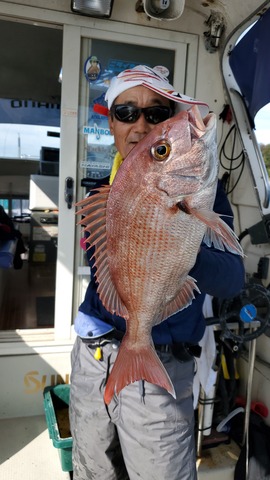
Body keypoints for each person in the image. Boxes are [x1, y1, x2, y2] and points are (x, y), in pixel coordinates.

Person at [69, 65, 245, 480]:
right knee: (92, 469)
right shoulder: (101, 194)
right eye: (127, 112)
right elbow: (108, 279)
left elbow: (232, 280)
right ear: (110, 121)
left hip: (160, 366)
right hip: (92, 356)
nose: (141, 123)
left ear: (168, 119)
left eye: (156, 113)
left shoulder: (204, 191)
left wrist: (179, 248)